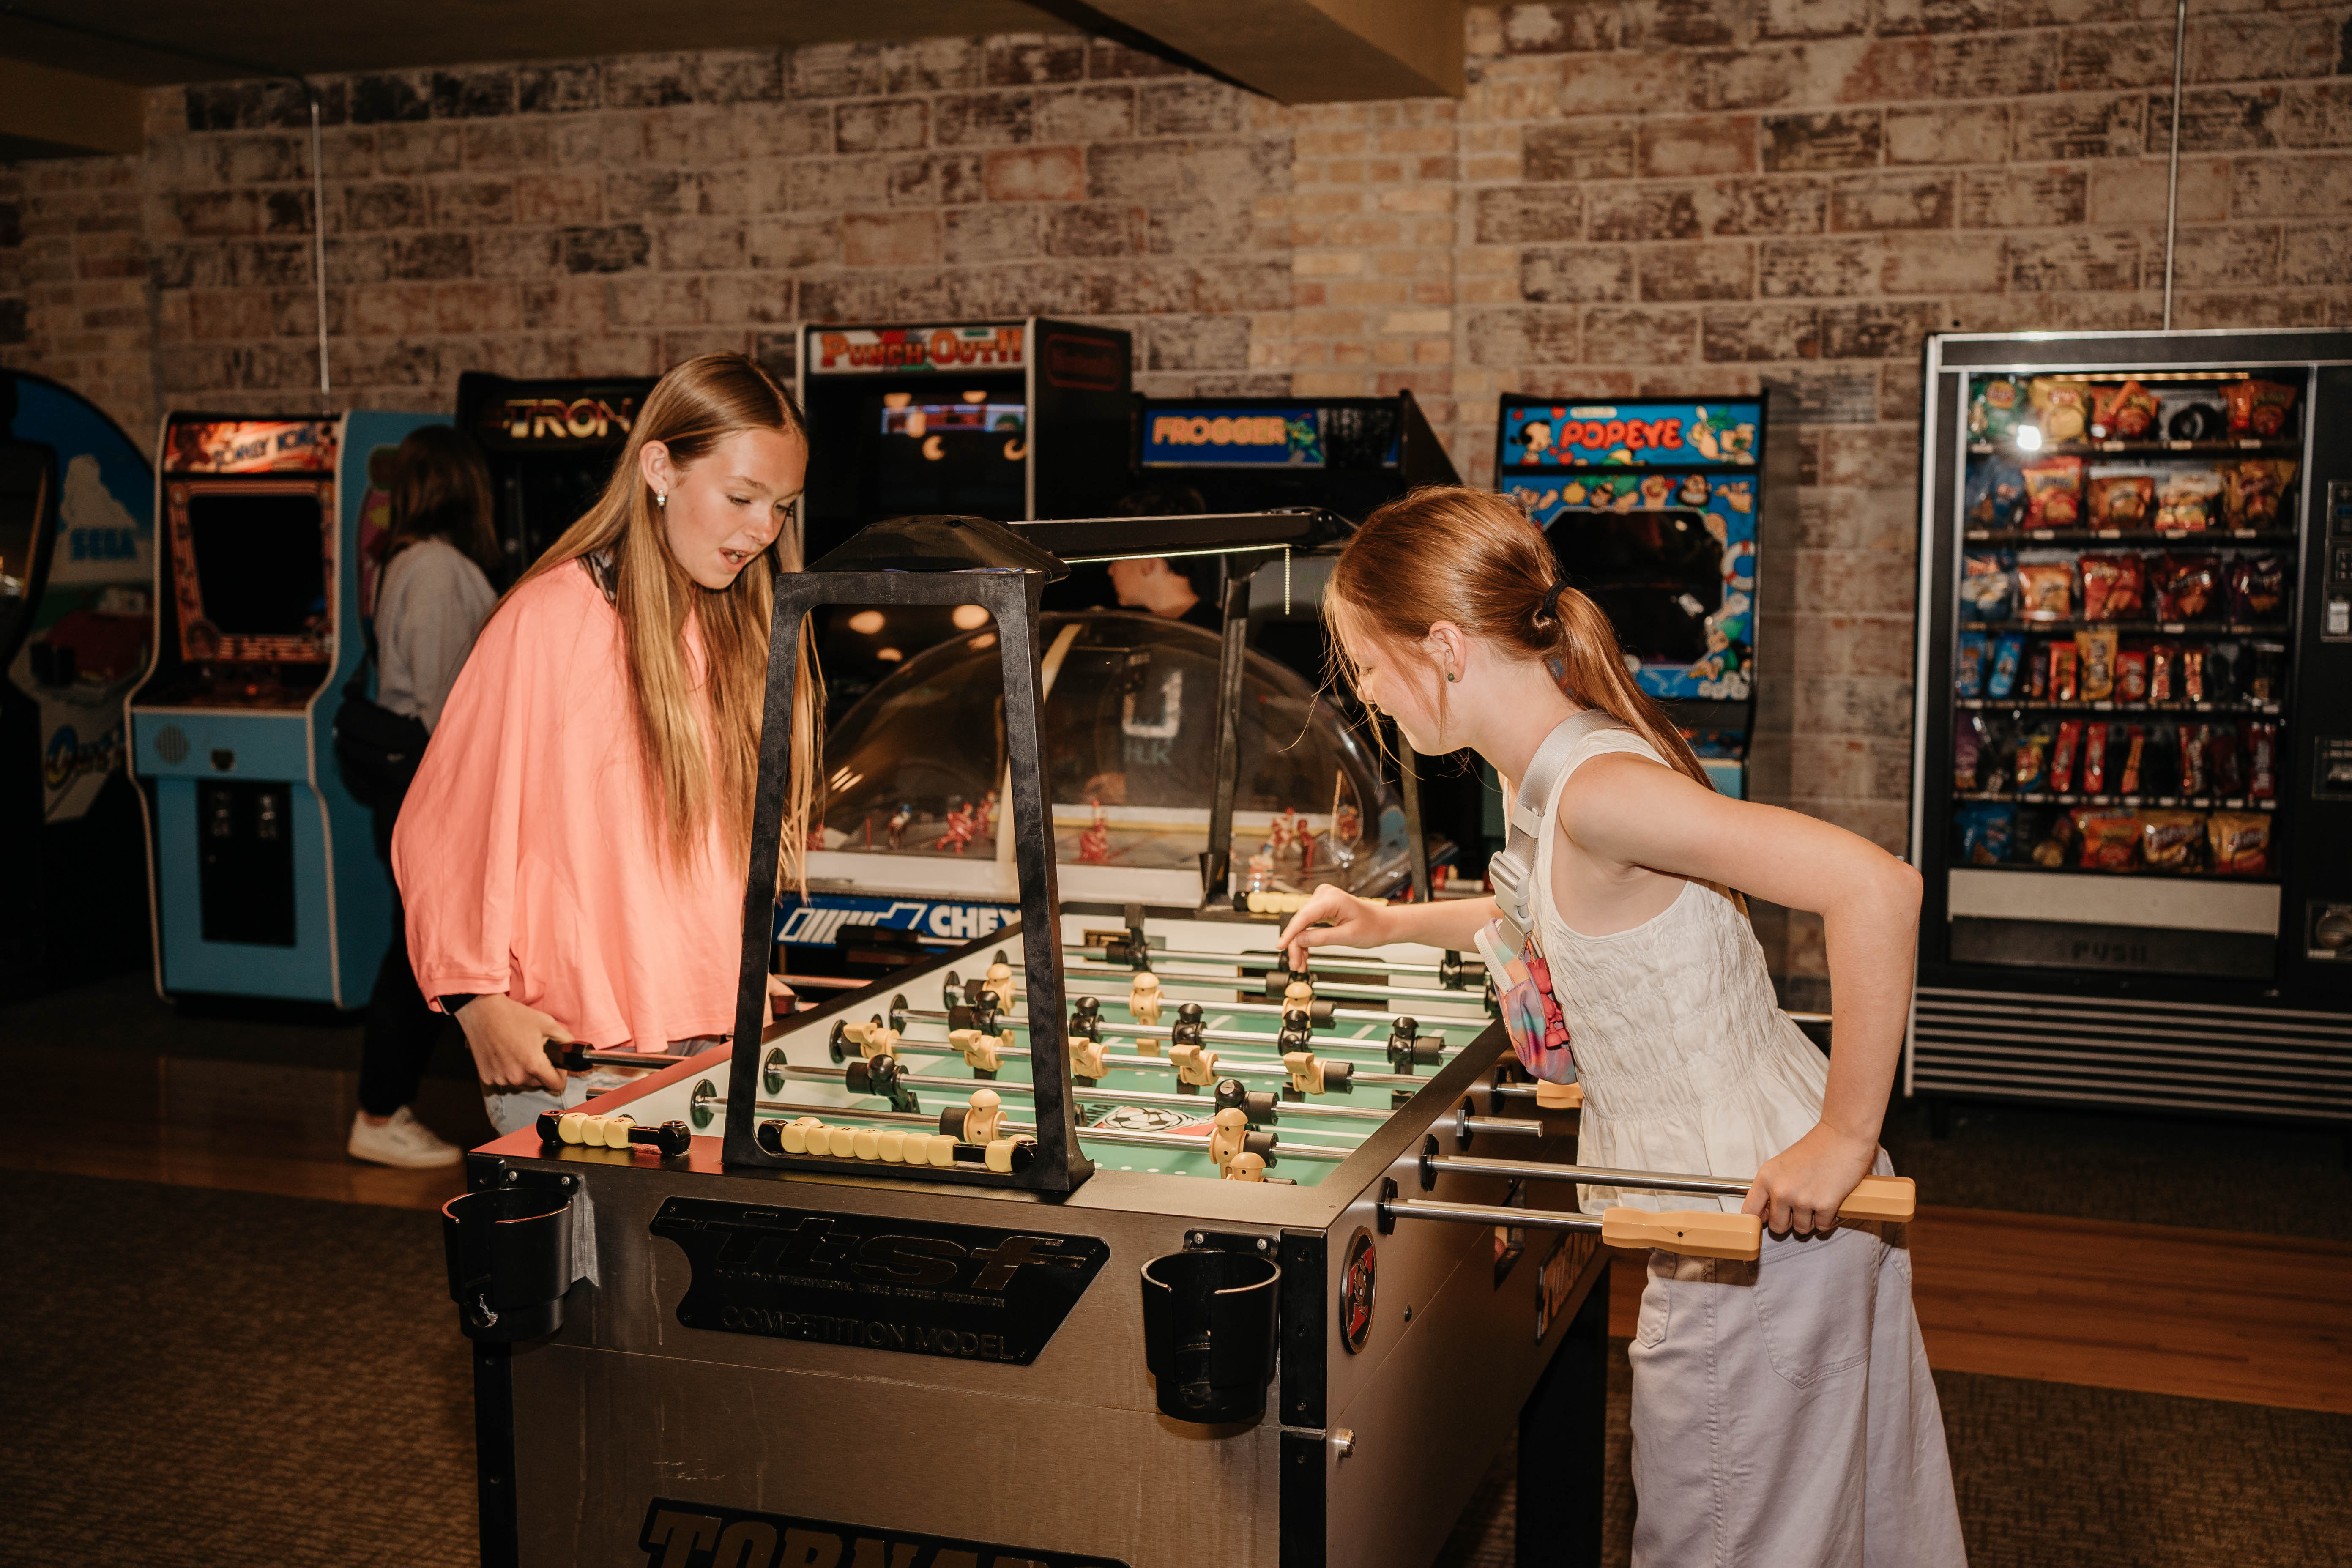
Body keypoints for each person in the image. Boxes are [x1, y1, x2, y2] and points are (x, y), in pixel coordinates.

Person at [1276, 487, 1965, 1567]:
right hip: (1743, 1209)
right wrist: (1389, 923)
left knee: (1720, 1542)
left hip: (1759, 1220)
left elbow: (1878, 888)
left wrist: (1843, 1136)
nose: (1365, 690)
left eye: (1367, 663)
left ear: (1445, 648)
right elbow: (1552, 908)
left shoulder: (1596, 790)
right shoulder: (1547, 762)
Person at [393, 353, 821, 1134]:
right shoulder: (549, 619)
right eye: (741, 497)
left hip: (711, 1036)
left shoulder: (735, 625)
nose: (764, 530)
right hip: (576, 1053)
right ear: (659, 468)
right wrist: (474, 1001)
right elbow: (443, 826)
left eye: (782, 507)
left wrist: (734, 978)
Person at [346, 425, 499, 1170]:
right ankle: (379, 1111)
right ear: (465, 485)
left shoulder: (409, 560)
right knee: (421, 955)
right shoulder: (436, 568)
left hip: (416, 786)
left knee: (423, 947)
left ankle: (386, 1106)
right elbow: (445, 707)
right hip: (432, 788)